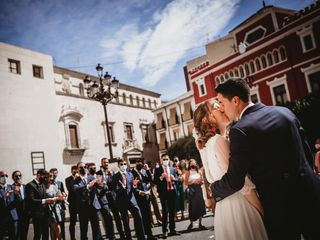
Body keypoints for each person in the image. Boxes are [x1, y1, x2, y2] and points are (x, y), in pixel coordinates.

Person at [211, 78, 320, 239]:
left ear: (235, 100)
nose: (221, 108)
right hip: (310, 192)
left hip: (280, 206)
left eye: (221, 102)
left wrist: (213, 189)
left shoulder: (240, 130)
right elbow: (306, 152)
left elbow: (235, 179)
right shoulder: (285, 112)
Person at [194, 101, 267, 240]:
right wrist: (261, 210)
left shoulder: (207, 146)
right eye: (214, 107)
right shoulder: (218, 141)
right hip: (239, 205)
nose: (220, 107)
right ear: (206, 118)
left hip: (224, 209)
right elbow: (240, 182)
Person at [113, 159, 146, 240]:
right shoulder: (115, 177)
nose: (123, 165)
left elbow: (133, 188)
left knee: (138, 216)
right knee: (126, 221)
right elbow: (115, 189)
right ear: (118, 166)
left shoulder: (130, 174)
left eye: (124, 164)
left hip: (131, 200)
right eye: (121, 164)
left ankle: (141, 237)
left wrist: (137, 189)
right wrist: (122, 187)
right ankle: (128, 238)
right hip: (122, 201)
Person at [96, 158, 125, 239]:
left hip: (112, 197)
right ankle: (111, 235)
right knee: (108, 218)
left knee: (117, 216)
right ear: (101, 163)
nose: (106, 164)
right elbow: (98, 186)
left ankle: (122, 234)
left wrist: (112, 176)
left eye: (107, 162)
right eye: (104, 162)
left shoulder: (112, 172)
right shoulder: (97, 174)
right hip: (104, 197)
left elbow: (115, 185)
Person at [153, 154, 181, 239]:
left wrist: (174, 178)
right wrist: (161, 177)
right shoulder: (158, 169)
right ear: (161, 160)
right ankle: (164, 231)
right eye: (164, 159)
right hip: (163, 193)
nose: (165, 161)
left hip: (172, 191)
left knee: (172, 212)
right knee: (165, 212)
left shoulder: (172, 169)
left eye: (167, 159)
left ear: (169, 160)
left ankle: (172, 229)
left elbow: (177, 178)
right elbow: (154, 181)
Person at [25, 169, 56, 240]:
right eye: (44, 177)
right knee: (38, 233)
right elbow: (31, 200)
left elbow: (45, 196)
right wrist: (45, 201)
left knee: (46, 233)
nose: (46, 179)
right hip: (37, 213)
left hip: (46, 213)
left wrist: (54, 199)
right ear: (38, 175)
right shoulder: (30, 185)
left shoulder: (42, 184)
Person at [132, 159, 157, 240]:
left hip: (146, 197)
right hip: (138, 198)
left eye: (141, 163)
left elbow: (150, 180)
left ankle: (150, 235)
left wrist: (148, 170)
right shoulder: (132, 173)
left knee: (147, 217)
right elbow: (131, 187)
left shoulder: (144, 171)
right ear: (135, 163)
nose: (140, 164)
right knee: (139, 218)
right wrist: (139, 192)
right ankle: (141, 236)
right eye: (138, 162)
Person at [184, 159, 206, 231]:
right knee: (192, 206)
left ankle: (200, 223)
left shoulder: (199, 171)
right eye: (191, 164)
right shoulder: (188, 172)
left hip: (199, 190)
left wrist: (200, 181)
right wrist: (193, 181)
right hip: (192, 191)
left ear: (196, 164)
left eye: (194, 163)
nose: (193, 165)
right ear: (189, 165)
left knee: (200, 206)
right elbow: (186, 183)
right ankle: (191, 223)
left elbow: (202, 181)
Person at [44, 171, 66, 240]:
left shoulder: (54, 187)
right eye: (48, 176)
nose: (50, 178)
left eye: (51, 176)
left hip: (55, 209)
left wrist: (62, 197)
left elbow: (60, 197)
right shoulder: (43, 187)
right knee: (53, 228)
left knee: (56, 227)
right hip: (47, 209)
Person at [11, 170, 30, 240]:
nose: (18, 177)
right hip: (16, 216)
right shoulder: (11, 188)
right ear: (13, 178)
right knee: (16, 236)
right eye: (16, 176)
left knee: (24, 235)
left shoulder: (26, 187)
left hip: (25, 215)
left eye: (20, 175)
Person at [0, 170, 19, 239]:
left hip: (13, 217)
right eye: (2, 176)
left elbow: (18, 202)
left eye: (6, 176)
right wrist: (4, 197)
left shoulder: (12, 187)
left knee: (14, 237)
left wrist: (17, 195)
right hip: (2, 218)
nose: (4, 177)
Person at [65, 165, 79, 240]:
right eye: (74, 170)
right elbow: (70, 189)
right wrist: (74, 179)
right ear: (71, 171)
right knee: (73, 221)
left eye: (76, 170)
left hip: (80, 202)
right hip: (72, 203)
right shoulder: (68, 179)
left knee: (83, 220)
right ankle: (72, 238)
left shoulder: (80, 178)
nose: (75, 172)